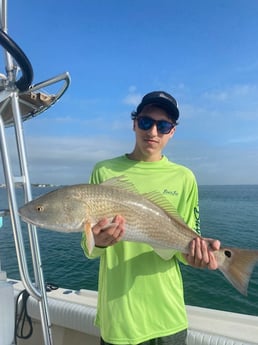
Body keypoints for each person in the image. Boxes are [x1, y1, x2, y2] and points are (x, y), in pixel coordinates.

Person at [81, 91, 220, 345]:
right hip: (119, 318)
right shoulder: (104, 171)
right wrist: (98, 242)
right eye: (146, 122)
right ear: (134, 123)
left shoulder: (185, 177)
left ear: (172, 131)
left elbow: (182, 249)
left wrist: (195, 256)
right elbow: (89, 248)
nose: (153, 132)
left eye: (163, 125)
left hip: (168, 318)